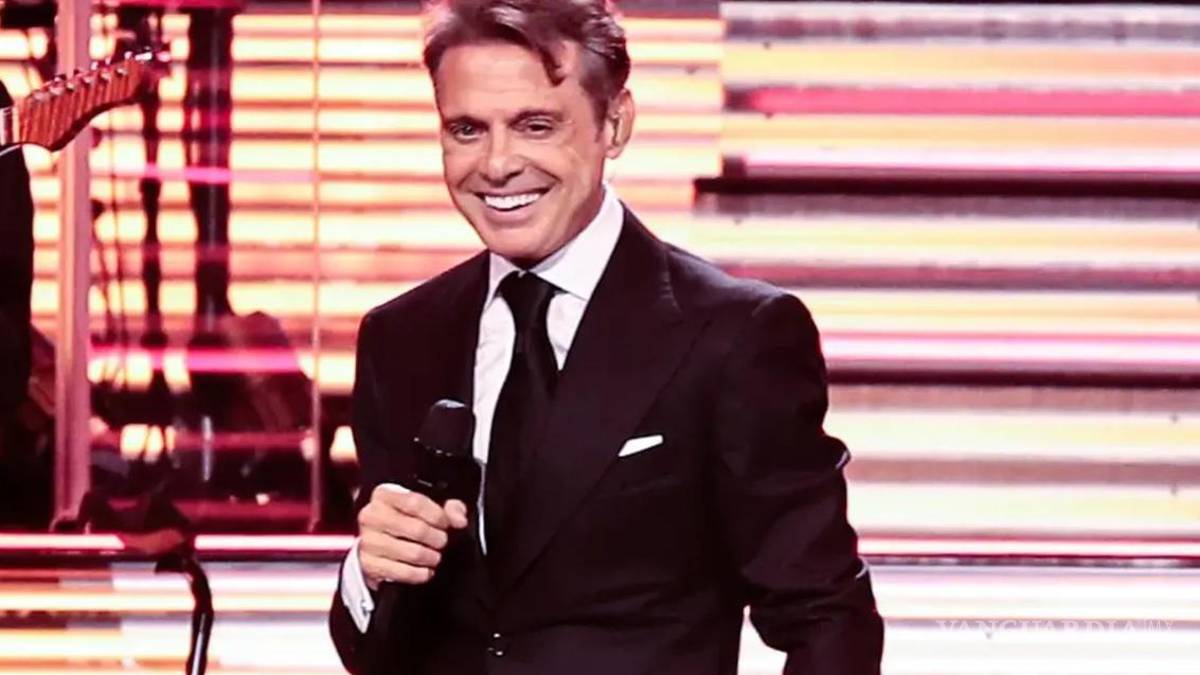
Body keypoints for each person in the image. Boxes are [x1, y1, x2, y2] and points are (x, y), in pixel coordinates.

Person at [328, 1, 884, 673]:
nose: (497, 165)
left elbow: (827, 617)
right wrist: (368, 573)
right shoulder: (400, 339)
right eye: (467, 129)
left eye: (536, 125)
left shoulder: (733, 337)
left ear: (614, 125)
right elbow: (377, 646)